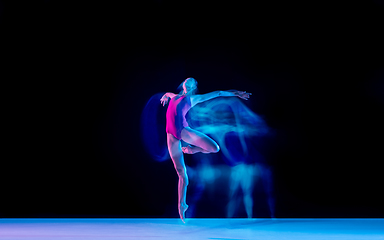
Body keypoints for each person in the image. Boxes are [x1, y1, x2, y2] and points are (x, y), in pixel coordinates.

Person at [160, 77, 251, 222]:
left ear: (193, 86)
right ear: (183, 84)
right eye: (186, 79)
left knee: (214, 147)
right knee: (181, 172)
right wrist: (165, 96)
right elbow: (168, 94)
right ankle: (182, 204)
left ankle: (193, 150)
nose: (187, 80)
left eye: (191, 80)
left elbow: (219, 93)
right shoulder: (174, 96)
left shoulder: (193, 99)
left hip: (184, 131)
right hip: (171, 135)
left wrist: (236, 93)